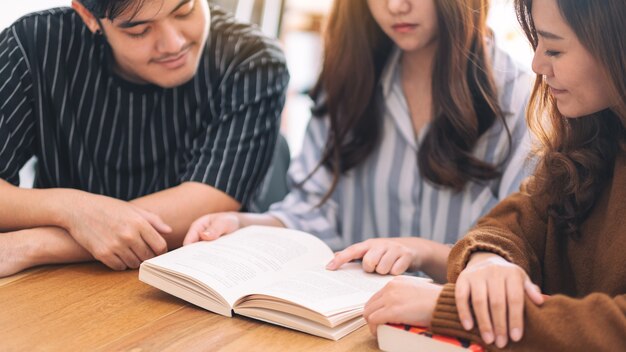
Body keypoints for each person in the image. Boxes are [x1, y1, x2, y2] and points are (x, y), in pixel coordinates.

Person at [183, 0, 533, 283]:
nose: (396, 6)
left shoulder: (518, 97)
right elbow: (311, 210)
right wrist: (243, 225)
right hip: (350, 319)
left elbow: (517, 253)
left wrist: (422, 251)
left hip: (453, 326)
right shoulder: (349, 80)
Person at [362, 0, 626, 349]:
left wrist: (454, 308)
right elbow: (513, 223)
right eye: (538, 45)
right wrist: (489, 261)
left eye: (555, 49)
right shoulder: (596, 138)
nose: (537, 64)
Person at [0, 0, 289, 277]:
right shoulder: (33, 44)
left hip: (192, 286)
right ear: (88, 17)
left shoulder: (251, 59)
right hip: (50, 285)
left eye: (185, 10)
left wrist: (32, 245)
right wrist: (69, 208)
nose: (174, 44)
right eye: (139, 30)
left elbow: (207, 204)